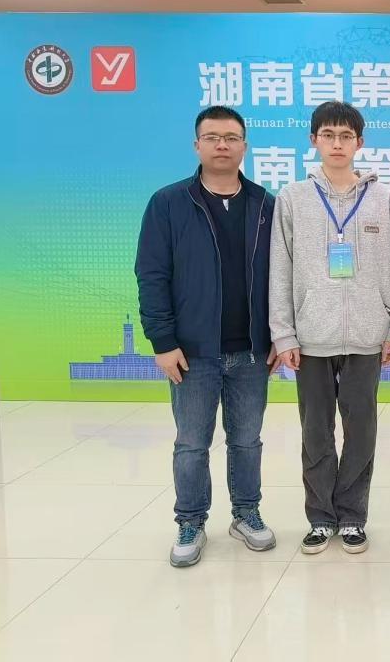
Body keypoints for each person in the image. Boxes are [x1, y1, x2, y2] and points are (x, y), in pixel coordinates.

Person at [136, 105, 278, 568]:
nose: (222, 145)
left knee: (247, 441)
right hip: (192, 352)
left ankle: (246, 513)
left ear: (244, 146)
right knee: (192, 443)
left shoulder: (265, 204)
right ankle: (191, 521)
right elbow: (151, 275)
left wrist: (279, 336)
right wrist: (162, 341)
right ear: (197, 145)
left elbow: (283, 276)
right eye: (213, 137)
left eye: (231, 138)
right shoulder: (169, 203)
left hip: (251, 350)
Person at [269, 101, 390, 556]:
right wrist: (284, 335)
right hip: (311, 336)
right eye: (329, 135)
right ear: (314, 140)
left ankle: (352, 516)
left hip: (368, 335)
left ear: (359, 142)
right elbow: (280, 270)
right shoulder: (292, 198)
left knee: (361, 430)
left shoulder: (384, 199)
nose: (338, 143)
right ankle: (320, 518)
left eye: (346, 136)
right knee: (315, 432)